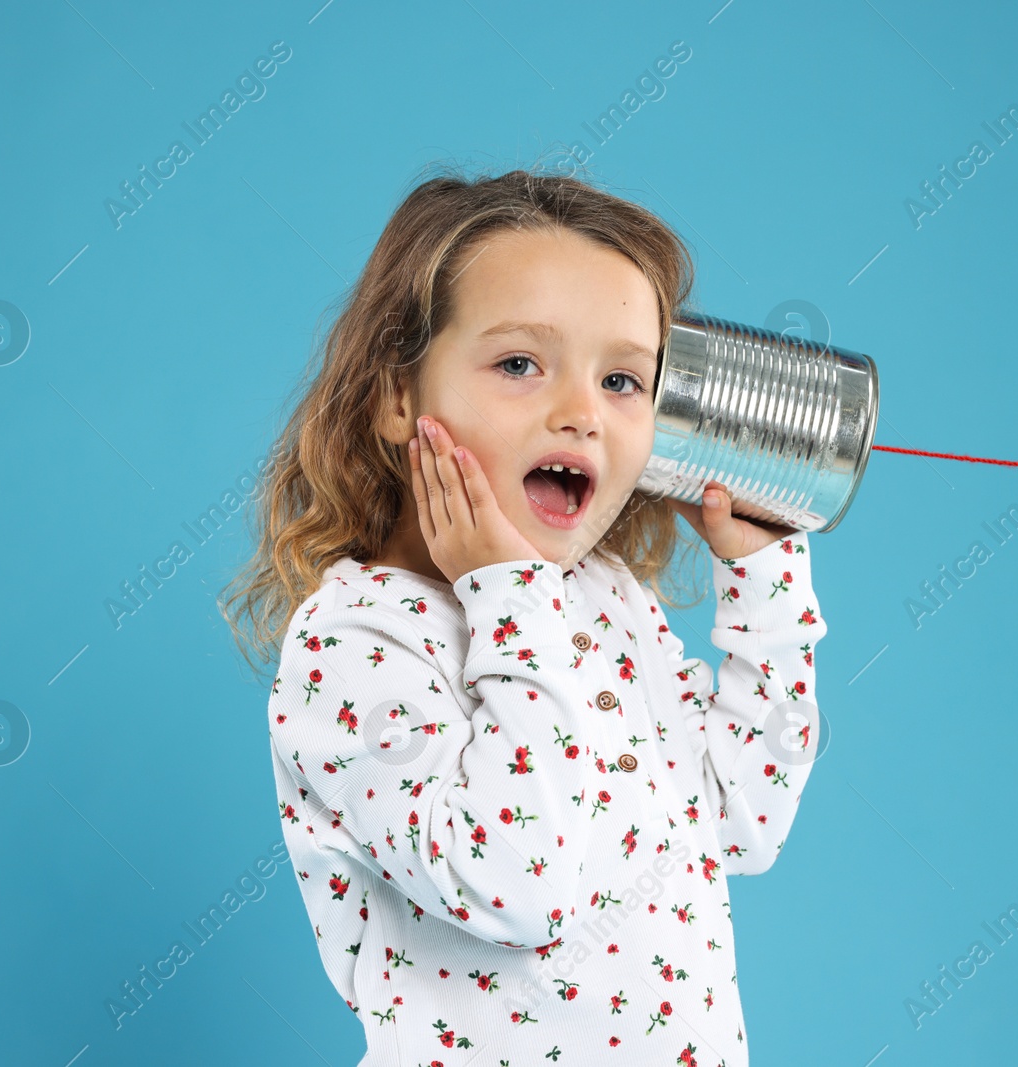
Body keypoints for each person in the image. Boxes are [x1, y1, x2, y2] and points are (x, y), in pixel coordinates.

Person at [223, 164, 829, 1067]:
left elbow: (744, 816)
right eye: (519, 363)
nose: (581, 412)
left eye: (624, 380)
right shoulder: (351, 645)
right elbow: (517, 885)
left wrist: (766, 583)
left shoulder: (607, 602)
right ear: (399, 398)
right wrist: (505, 591)